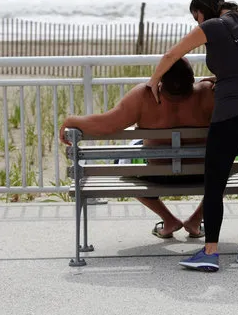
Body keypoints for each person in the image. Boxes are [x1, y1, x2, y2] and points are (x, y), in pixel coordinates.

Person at [146, 0, 238, 272]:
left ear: (202, 11)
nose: (197, 24)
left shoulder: (212, 26)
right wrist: (224, 76)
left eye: (197, 18)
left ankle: (210, 252)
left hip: (230, 115)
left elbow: (172, 54)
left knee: (215, 185)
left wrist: (152, 81)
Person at [59, 58, 211, 239]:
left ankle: (168, 220)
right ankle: (195, 220)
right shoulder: (208, 94)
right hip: (203, 176)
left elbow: (106, 125)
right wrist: (217, 80)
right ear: (192, 79)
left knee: (125, 169)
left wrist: (71, 120)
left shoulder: (144, 96)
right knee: (223, 173)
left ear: (160, 80)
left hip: (157, 177)